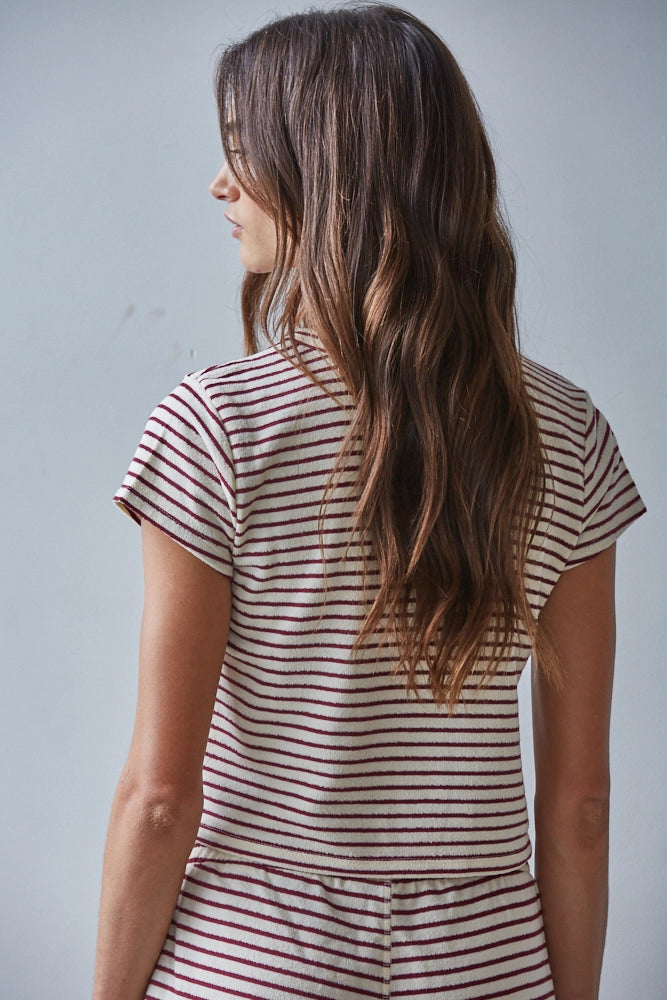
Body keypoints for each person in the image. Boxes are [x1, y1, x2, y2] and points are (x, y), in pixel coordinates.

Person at [92, 5, 646, 999]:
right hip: (483, 963)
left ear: (328, 169)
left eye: (241, 149)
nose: (219, 183)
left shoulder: (217, 425)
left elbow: (161, 797)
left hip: (255, 960)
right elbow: (580, 806)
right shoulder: (570, 436)